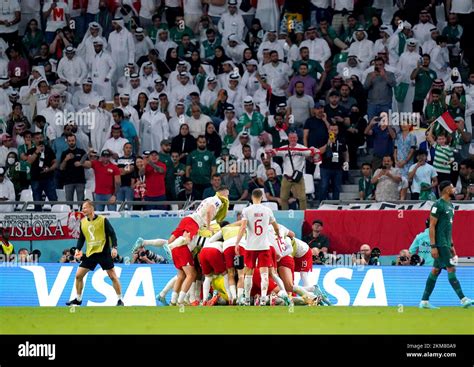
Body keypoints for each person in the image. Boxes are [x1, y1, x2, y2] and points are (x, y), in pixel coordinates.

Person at [166, 186, 229, 306]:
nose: (228, 197)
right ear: (224, 194)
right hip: (192, 226)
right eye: (228, 195)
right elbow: (210, 210)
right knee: (192, 274)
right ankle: (180, 301)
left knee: (181, 276)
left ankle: (173, 301)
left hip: (187, 221)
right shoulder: (218, 201)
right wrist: (209, 225)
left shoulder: (208, 198)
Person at [420, 181, 474, 309]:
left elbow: (448, 228)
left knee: (436, 270)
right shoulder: (437, 205)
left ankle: (424, 301)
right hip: (440, 243)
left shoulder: (450, 206)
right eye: (452, 187)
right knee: (451, 268)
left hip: (446, 243)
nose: (454, 189)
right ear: (446, 190)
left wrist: (452, 245)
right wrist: (433, 246)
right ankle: (463, 299)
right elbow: (432, 226)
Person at [66, 200, 124, 306]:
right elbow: (81, 238)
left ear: (91, 208)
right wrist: (78, 250)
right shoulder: (83, 222)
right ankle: (78, 299)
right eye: (82, 208)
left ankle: (120, 300)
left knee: (112, 276)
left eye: (85, 207)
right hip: (90, 254)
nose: (83, 210)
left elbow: (112, 234)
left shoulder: (103, 220)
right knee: (78, 276)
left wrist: (114, 248)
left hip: (104, 252)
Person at [234, 188, 281, 306]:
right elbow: (275, 226)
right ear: (262, 197)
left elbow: (243, 227)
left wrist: (237, 242)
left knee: (248, 273)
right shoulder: (268, 210)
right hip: (264, 246)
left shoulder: (246, 210)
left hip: (250, 246)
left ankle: (246, 299)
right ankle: (264, 298)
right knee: (264, 273)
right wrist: (278, 235)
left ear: (251, 197)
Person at [26, 132, 58, 211]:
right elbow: (29, 161)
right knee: (37, 200)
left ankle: (58, 215)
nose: (39, 140)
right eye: (37, 138)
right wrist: (37, 151)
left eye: (40, 138)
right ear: (33, 140)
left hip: (48, 178)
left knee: (53, 199)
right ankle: (38, 217)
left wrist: (49, 169)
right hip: (36, 178)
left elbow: (55, 162)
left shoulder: (49, 149)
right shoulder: (31, 151)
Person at [186, 135, 217, 199]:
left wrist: (212, 180)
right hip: (194, 182)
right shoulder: (192, 154)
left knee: (206, 201)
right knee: (195, 201)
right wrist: (188, 180)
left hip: (207, 182)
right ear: (197, 142)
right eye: (200, 142)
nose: (202, 144)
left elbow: (213, 169)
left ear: (206, 143)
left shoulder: (210, 155)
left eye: (204, 142)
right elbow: (187, 168)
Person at [59, 134, 86, 203]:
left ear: (75, 141)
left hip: (80, 181)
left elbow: (89, 165)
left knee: (81, 202)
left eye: (73, 140)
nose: (71, 142)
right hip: (68, 181)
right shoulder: (64, 153)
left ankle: (81, 213)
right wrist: (66, 159)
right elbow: (61, 168)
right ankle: (69, 213)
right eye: (69, 141)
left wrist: (81, 163)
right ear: (67, 142)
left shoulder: (81, 152)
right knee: (68, 202)